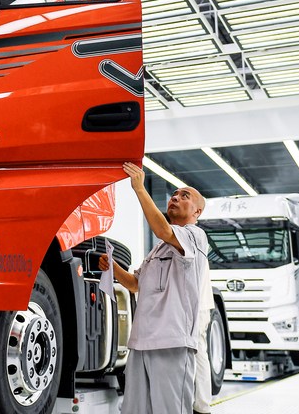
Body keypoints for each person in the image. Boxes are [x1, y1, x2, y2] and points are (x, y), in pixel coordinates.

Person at [100, 161, 208, 414]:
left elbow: (161, 229)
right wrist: (113, 267)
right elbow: (135, 285)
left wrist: (139, 188)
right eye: (174, 194)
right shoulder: (158, 249)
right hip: (141, 343)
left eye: (185, 196)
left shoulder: (194, 236)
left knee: (171, 409)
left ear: (198, 211)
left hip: (171, 342)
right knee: (136, 410)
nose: (176, 198)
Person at [193, 254, 215, 414]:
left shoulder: (191, 237)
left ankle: (201, 406)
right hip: (199, 306)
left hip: (196, 307)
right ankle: (202, 406)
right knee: (199, 353)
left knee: (197, 354)